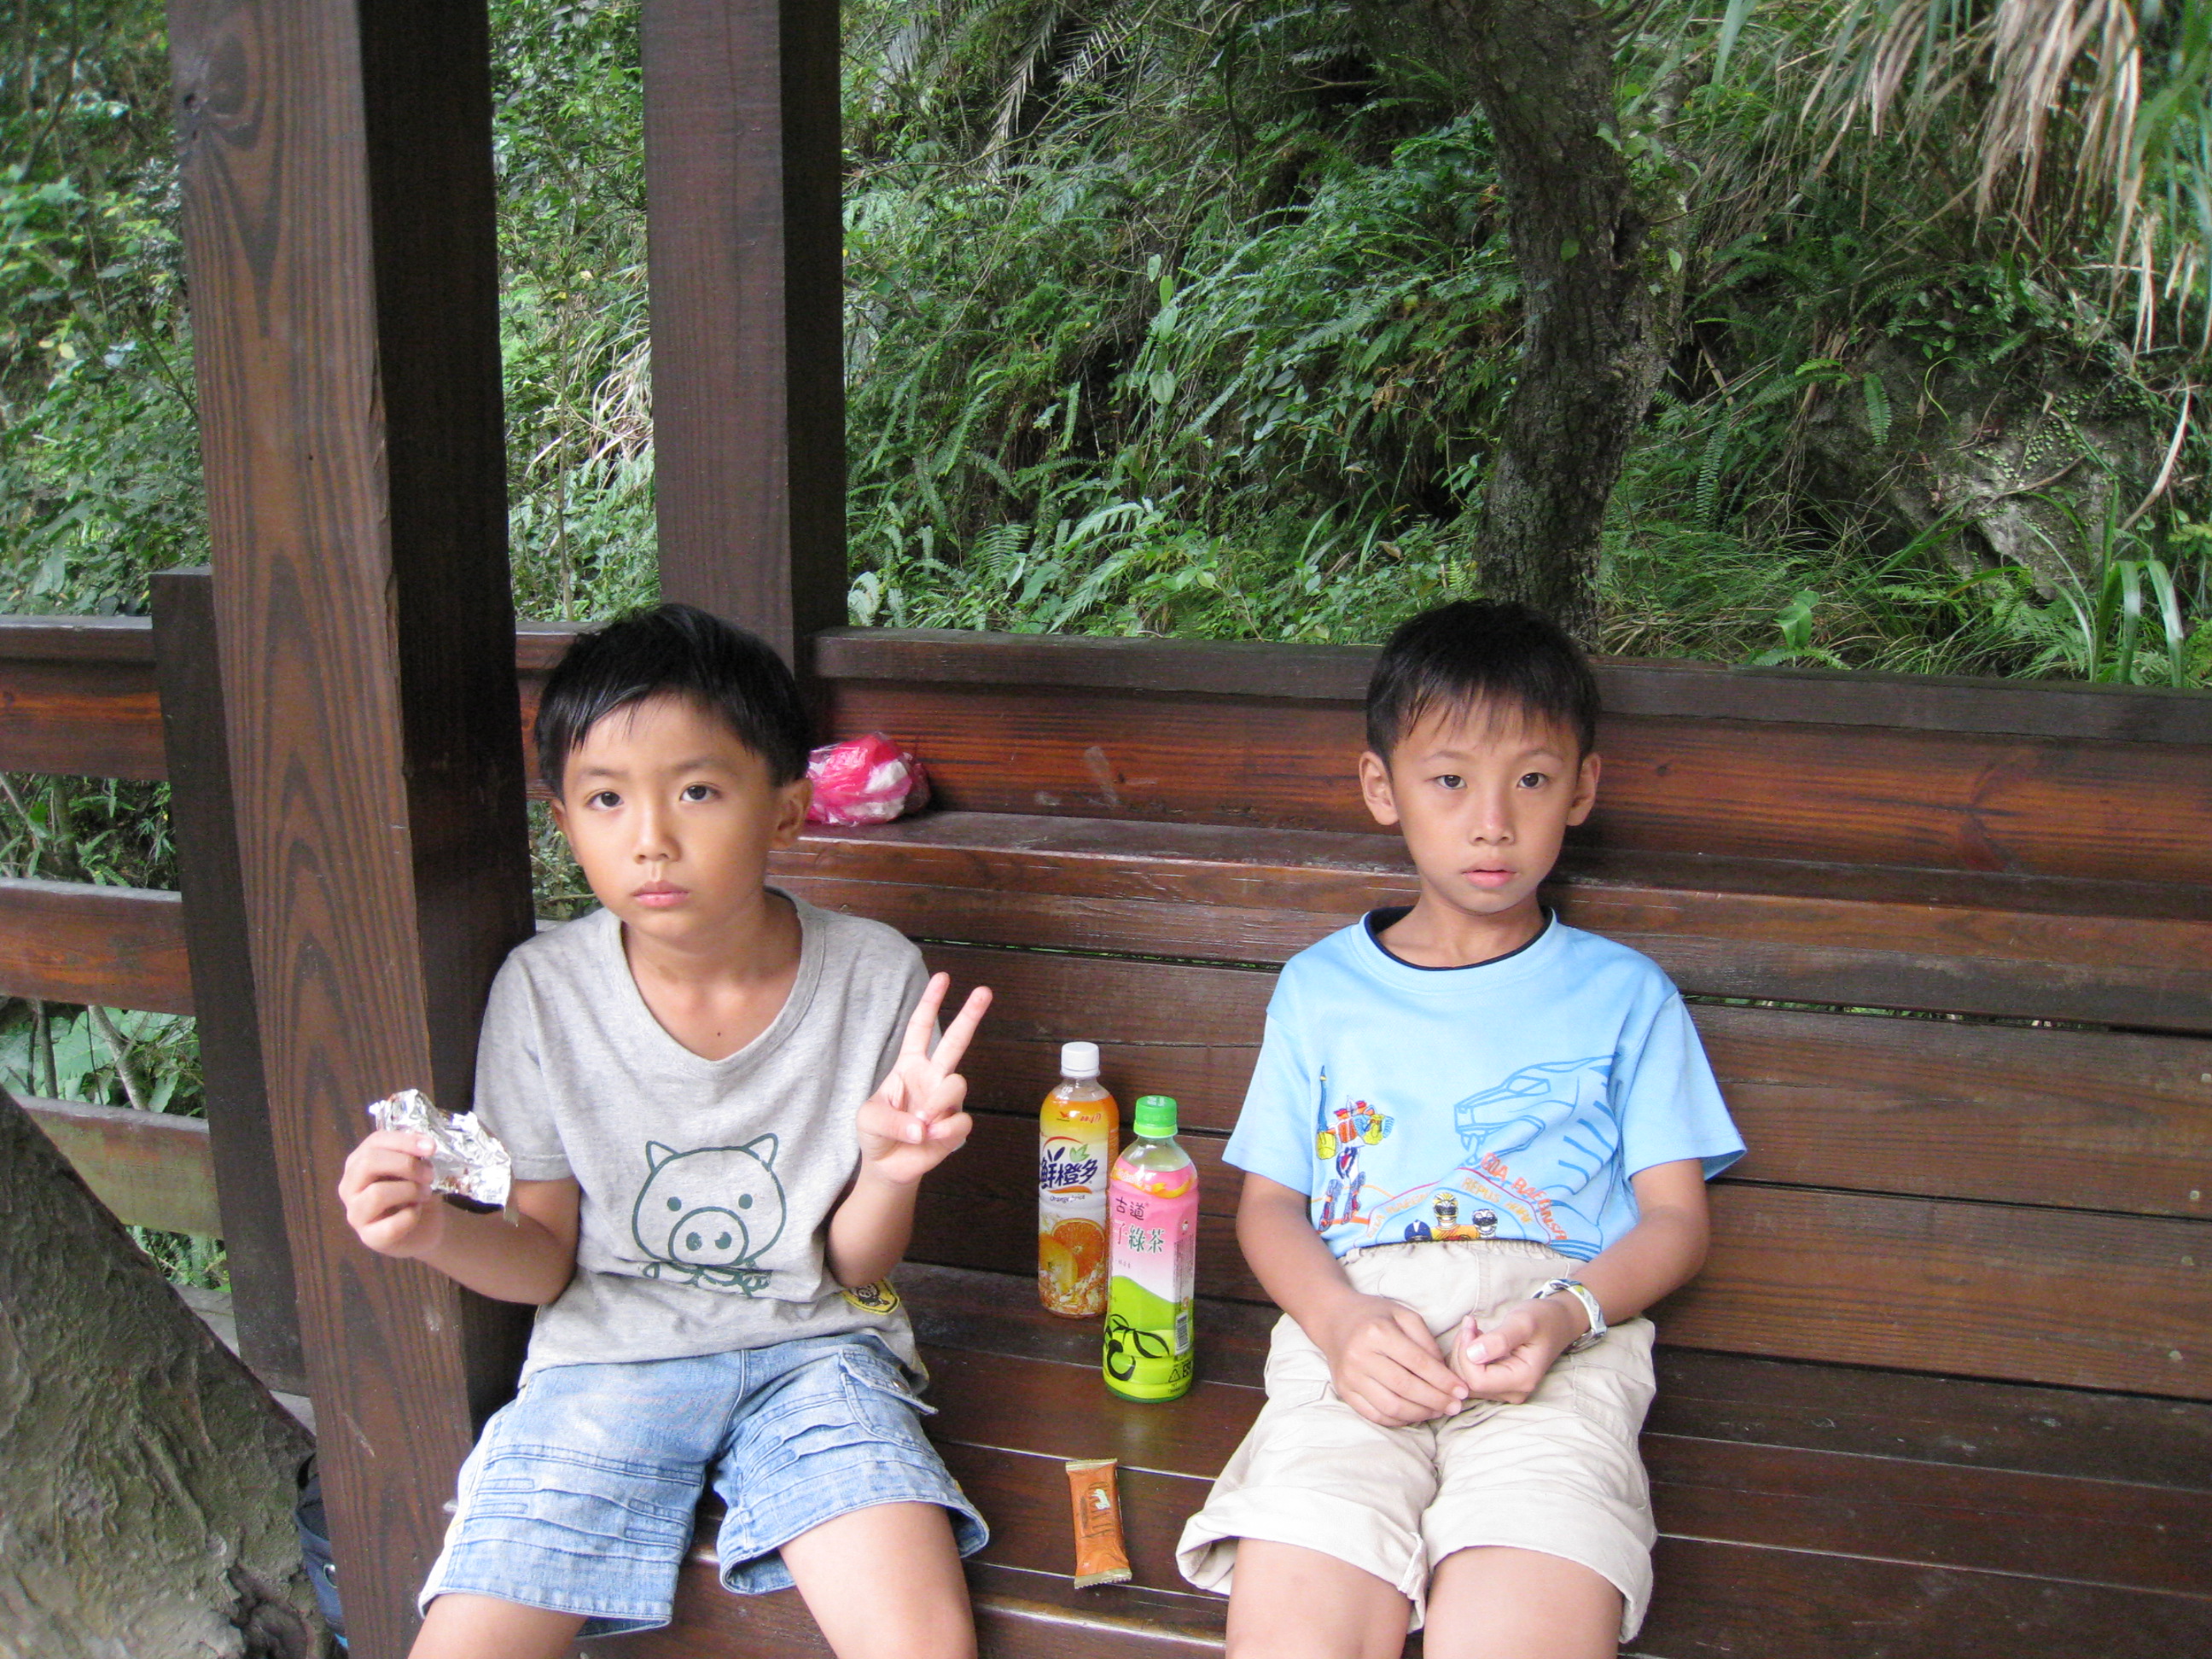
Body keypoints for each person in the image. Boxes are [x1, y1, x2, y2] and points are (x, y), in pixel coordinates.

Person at [336, 604, 992, 1659]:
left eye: (697, 790)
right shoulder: (543, 993)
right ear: (567, 822)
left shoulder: (875, 976)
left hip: (816, 1357)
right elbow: (543, 1260)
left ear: (785, 812)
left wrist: (890, 1171)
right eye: (606, 798)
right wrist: (433, 1231)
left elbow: (854, 1268)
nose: (650, 837)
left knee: (920, 1641)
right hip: (603, 1368)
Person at [1176, 600, 1743, 1659]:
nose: (1493, 821)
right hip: (1359, 1340)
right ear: (1382, 788)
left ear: (1582, 790)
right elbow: (1271, 1208)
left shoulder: (1627, 996)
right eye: (1449, 780)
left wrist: (1568, 1314)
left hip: (1557, 1346)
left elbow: (1676, 1222)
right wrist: (1339, 1322)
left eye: (1531, 780)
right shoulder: (1321, 990)